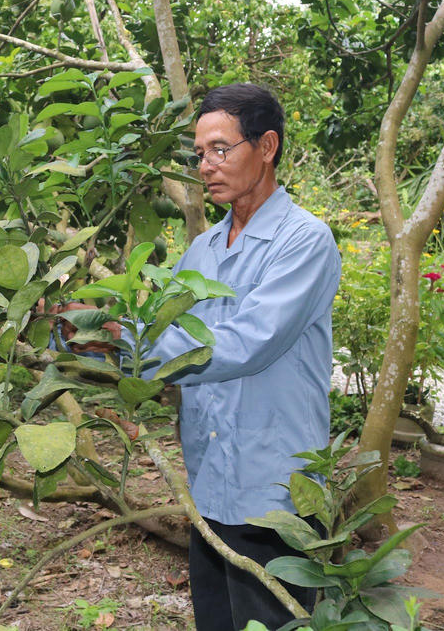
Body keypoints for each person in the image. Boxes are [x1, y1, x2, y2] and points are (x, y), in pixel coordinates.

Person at [134, 84, 341, 630]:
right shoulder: (203, 250)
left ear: (266, 146)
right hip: (210, 484)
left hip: (274, 491)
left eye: (221, 150)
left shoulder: (305, 241)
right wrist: (81, 331)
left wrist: (130, 345)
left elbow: (248, 344)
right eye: (200, 153)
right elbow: (166, 329)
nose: (206, 166)